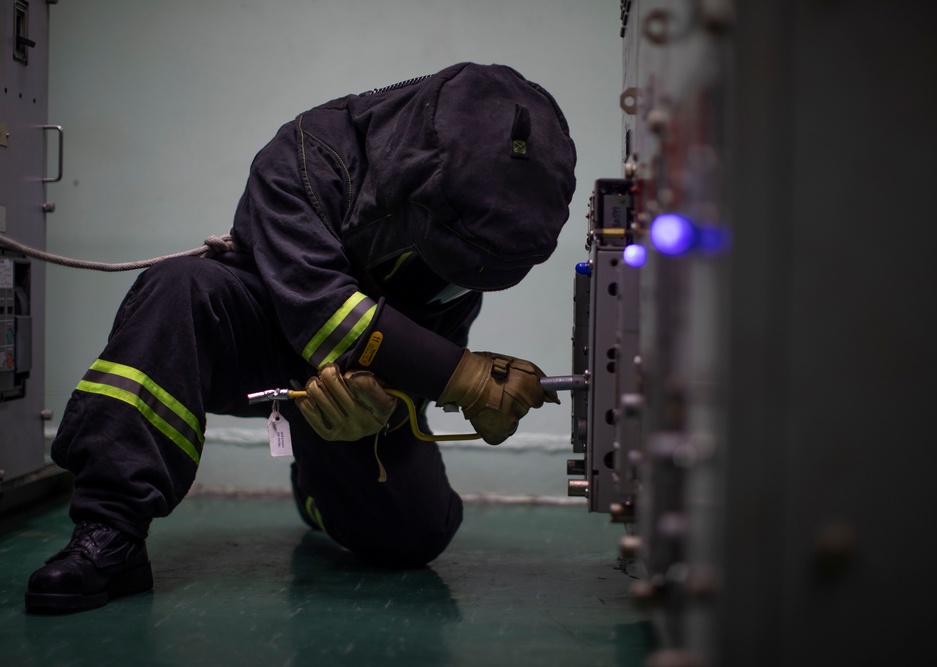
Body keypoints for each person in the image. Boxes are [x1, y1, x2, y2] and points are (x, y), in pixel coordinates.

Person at [23, 62, 577, 614]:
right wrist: (465, 377)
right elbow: (320, 308)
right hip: (260, 339)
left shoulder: (491, 219)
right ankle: (109, 533)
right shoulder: (311, 153)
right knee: (179, 288)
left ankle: (318, 484)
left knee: (416, 539)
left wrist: (393, 403)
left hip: (370, 385)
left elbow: (424, 349)